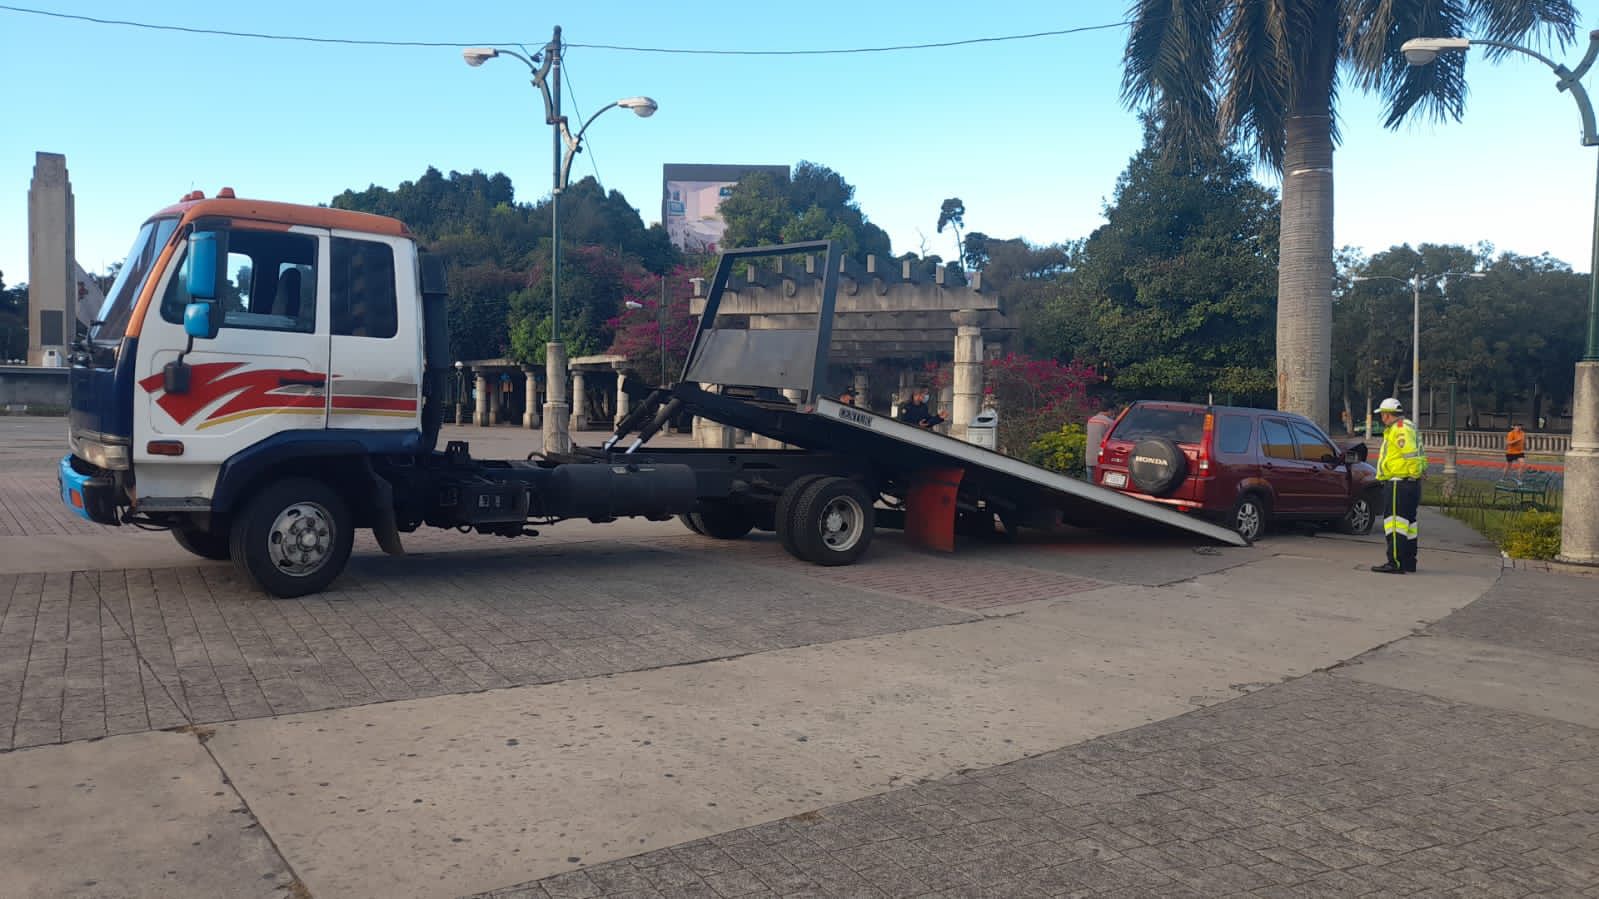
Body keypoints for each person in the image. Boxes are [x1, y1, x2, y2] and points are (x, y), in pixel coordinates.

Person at [1371, 397, 1427, 575]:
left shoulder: (1399, 430)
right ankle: (1409, 561)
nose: (1382, 419)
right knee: (1408, 525)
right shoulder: (1408, 426)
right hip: (1410, 484)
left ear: (1388, 415)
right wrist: (1418, 473)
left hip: (1398, 483)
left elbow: (1409, 454)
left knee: (1394, 523)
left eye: (1382, 415)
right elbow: (1417, 454)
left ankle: (1394, 562)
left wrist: (1413, 472)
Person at [1084, 404, 1117, 481]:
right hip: (1101, 458)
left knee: (1090, 484)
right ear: (1110, 410)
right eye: (1113, 412)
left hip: (1089, 457)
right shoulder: (1109, 422)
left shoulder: (1091, 420)